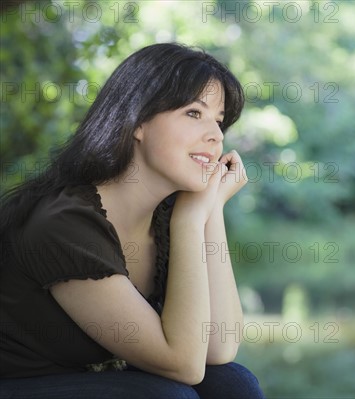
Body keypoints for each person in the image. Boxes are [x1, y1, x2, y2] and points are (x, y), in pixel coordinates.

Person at [0, 42, 265, 398]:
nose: (216, 136)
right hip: (19, 384)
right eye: (193, 113)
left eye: (219, 121)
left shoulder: (165, 216)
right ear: (137, 121)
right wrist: (189, 222)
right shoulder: (63, 224)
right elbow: (183, 363)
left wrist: (209, 210)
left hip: (98, 377)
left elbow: (219, 347)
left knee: (234, 383)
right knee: (168, 395)